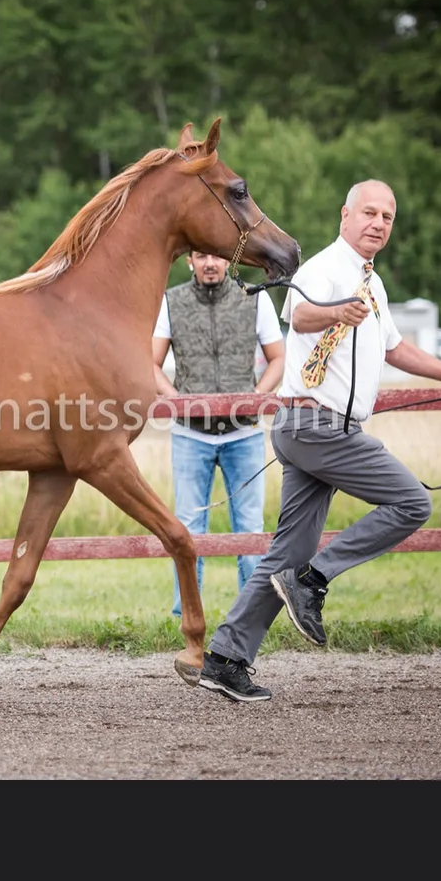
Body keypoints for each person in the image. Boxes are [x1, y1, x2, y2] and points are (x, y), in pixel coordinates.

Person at [197, 181, 441, 701]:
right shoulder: (325, 269)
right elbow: (300, 316)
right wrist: (336, 312)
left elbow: (396, 349)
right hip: (316, 427)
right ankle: (314, 581)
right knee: (411, 502)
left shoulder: (372, 284)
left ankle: (224, 659)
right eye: (370, 213)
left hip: (322, 431)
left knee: (287, 554)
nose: (379, 223)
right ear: (346, 215)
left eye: (388, 217)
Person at [152, 250, 285, 617]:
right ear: (189, 261)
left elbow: (278, 358)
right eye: (200, 256)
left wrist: (254, 400)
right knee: (188, 528)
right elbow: (151, 364)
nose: (210, 262)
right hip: (190, 435)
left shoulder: (255, 298)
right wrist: (177, 401)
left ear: (229, 261)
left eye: (216, 256)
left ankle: (251, 615)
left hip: (244, 435)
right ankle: (186, 615)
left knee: (250, 529)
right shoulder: (170, 301)